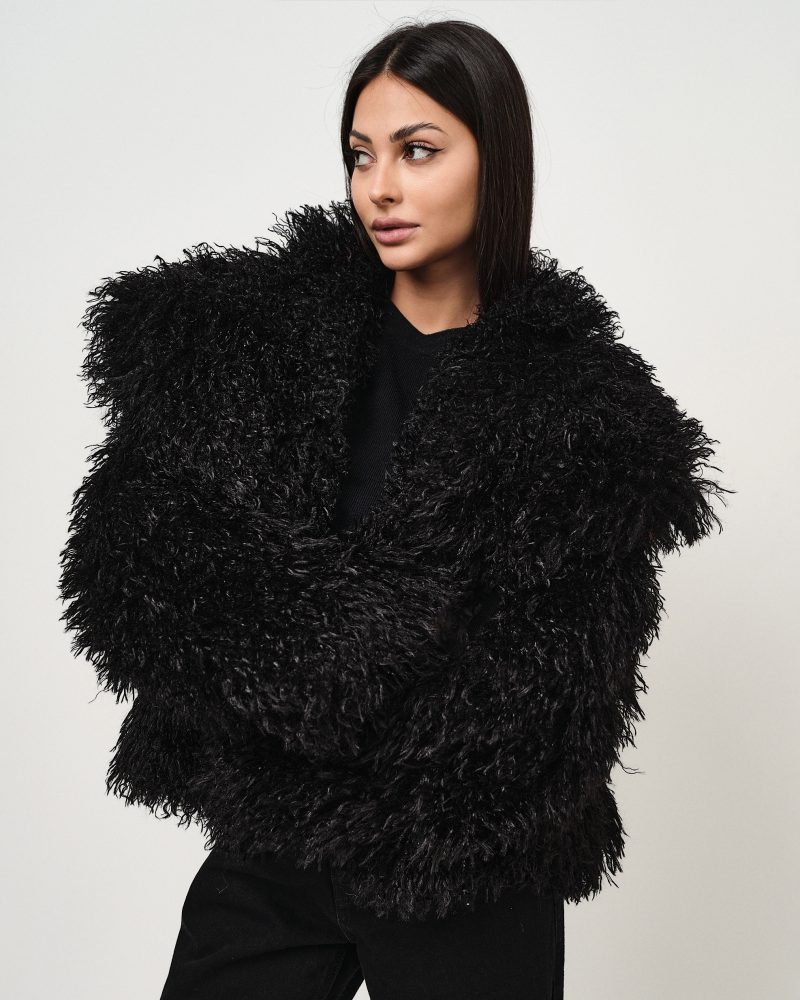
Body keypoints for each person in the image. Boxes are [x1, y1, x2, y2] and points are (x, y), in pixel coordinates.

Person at [58, 18, 728, 1000]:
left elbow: (562, 683)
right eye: (360, 154)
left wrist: (322, 654)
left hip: (463, 859)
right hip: (274, 838)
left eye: (417, 151)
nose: (379, 187)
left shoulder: (579, 416)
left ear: (496, 161)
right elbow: (136, 565)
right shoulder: (244, 347)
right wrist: (336, 654)